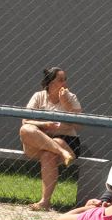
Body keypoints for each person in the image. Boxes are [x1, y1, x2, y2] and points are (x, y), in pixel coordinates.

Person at [19, 67, 82, 211]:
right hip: (40, 139)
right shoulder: (39, 96)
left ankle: (44, 202)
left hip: (66, 140)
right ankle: (61, 151)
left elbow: (79, 125)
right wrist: (44, 124)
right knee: (25, 129)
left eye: (65, 79)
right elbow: (25, 120)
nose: (65, 83)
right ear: (50, 83)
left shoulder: (71, 97)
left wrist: (66, 105)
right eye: (60, 80)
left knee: (49, 153)